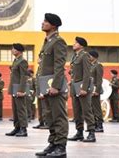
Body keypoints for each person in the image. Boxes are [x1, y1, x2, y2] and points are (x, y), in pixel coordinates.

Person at [35, 13, 68, 157]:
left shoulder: (58, 41)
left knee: (58, 116)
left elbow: (59, 65)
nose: (42, 23)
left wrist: (55, 85)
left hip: (55, 87)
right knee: (49, 116)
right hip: (46, 86)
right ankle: (53, 143)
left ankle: (61, 146)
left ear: (53, 25)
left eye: (46, 22)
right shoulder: (47, 41)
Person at [68, 37, 96, 143]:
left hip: (82, 87)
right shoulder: (75, 56)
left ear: (81, 45)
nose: (74, 44)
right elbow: (76, 72)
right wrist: (72, 80)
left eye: (76, 43)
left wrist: (84, 88)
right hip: (75, 86)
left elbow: (87, 73)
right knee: (77, 110)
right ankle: (79, 132)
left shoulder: (84, 55)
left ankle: (91, 133)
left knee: (86, 110)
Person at [5, 43, 29, 137]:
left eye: (14, 49)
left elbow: (24, 76)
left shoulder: (22, 61)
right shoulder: (16, 61)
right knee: (15, 109)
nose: (12, 50)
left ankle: (23, 129)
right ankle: (17, 127)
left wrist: (21, 90)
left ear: (18, 51)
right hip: (14, 87)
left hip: (19, 88)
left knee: (21, 109)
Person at [89, 50, 104, 133]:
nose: (88, 57)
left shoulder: (98, 65)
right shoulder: (91, 66)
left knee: (96, 108)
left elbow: (99, 79)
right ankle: (94, 124)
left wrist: (97, 90)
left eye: (89, 56)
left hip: (95, 90)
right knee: (91, 108)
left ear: (94, 57)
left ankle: (100, 125)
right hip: (90, 89)